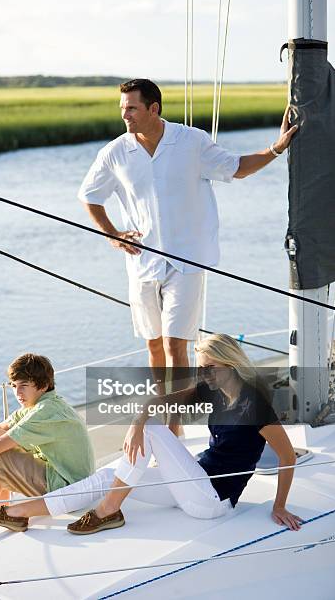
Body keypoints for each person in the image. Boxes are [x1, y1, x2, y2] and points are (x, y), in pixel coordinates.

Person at [77, 78, 297, 433]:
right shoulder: (115, 152)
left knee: (174, 345)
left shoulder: (190, 141)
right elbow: (90, 195)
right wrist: (112, 233)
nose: (125, 116)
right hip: (142, 263)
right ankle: (168, 420)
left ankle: (172, 425)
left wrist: (276, 148)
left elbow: (237, 167)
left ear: (153, 108)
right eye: (122, 109)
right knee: (153, 347)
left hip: (187, 262)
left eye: (131, 108)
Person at [0, 334, 302, 535]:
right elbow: (155, 401)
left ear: (230, 364)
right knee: (109, 474)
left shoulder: (255, 404)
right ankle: (18, 514)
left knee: (153, 431)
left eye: (209, 367)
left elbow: (287, 456)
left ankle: (107, 511)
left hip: (213, 500)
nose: (203, 373)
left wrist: (280, 506)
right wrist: (135, 426)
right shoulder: (213, 390)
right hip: (191, 484)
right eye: (200, 367)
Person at [0, 353, 95, 546]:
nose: (17, 392)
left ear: (43, 385)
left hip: (69, 490)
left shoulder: (46, 411)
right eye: (14, 386)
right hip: (64, 479)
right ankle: (0, 509)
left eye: (23, 385)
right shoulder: (40, 404)